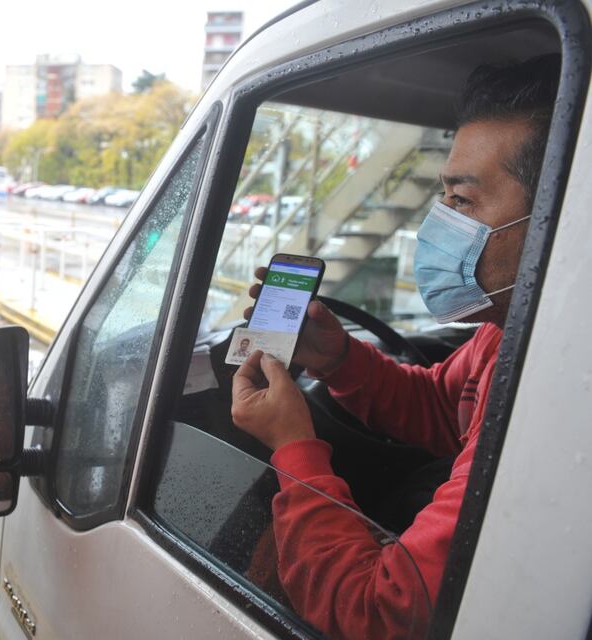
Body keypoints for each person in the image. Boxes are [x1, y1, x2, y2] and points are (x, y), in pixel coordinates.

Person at [230, 54, 559, 639]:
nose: (440, 223)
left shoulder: (555, 397)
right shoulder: (509, 329)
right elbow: (443, 407)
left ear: (558, 219)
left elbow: (378, 612)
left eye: (461, 201)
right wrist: (338, 360)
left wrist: (293, 447)